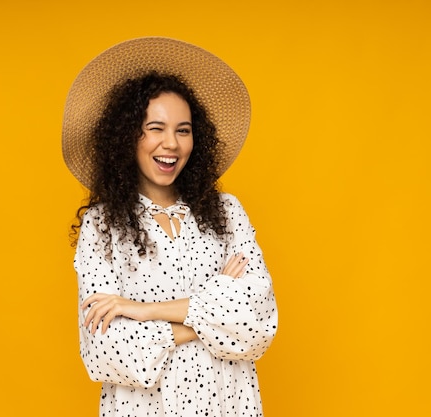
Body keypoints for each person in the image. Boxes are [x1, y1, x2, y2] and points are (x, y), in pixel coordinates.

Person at [62, 37, 278, 417]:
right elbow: (106, 352)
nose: (171, 144)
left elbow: (258, 323)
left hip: (229, 405)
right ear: (128, 137)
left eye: (183, 130)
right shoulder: (102, 227)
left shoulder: (227, 213)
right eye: (155, 128)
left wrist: (143, 311)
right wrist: (213, 312)